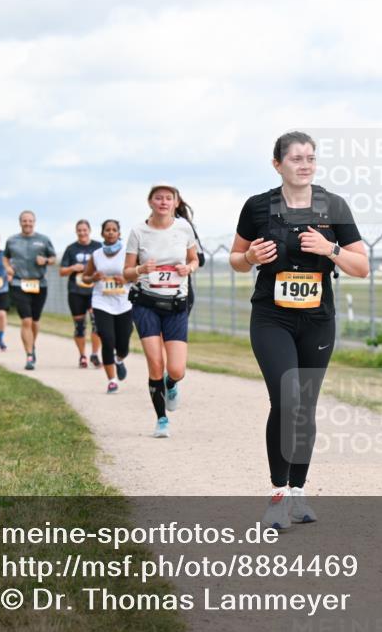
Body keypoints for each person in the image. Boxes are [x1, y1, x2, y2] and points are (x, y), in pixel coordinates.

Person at [229, 131, 369, 530]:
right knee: (287, 400)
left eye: (310, 158)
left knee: (304, 407)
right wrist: (251, 256)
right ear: (277, 164)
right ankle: (277, 494)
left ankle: (297, 491)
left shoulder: (333, 206)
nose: (305, 164)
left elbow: (362, 266)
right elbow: (236, 259)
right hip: (272, 317)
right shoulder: (257, 207)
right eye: (296, 159)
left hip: (317, 319)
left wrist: (331, 250)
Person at [123, 184, 200, 438]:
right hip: (146, 303)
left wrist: (189, 269)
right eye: (159, 198)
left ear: (176, 202)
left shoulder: (183, 228)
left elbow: (194, 259)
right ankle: (161, 419)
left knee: (177, 370)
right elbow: (126, 273)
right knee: (155, 364)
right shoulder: (138, 231)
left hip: (176, 303)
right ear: (150, 202)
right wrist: (141, 270)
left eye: (169, 198)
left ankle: (171, 384)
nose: (163, 202)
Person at [82, 220, 133, 393]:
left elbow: (138, 276)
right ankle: (111, 381)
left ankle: (119, 359)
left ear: (119, 233)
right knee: (107, 339)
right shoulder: (96, 255)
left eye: (114, 230)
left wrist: (126, 279)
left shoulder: (128, 253)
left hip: (124, 303)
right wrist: (94, 277)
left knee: (123, 344)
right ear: (102, 233)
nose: (111, 232)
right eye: (107, 230)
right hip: (101, 302)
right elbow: (85, 278)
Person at [3, 210, 57, 370]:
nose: (27, 223)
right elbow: (5, 257)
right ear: (20, 222)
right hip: (19, 284)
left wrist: (46, 260)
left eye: (30, 221)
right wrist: (7, 268)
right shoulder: (12, 240)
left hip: (39, 284)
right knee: (26, 320)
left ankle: (32, 345)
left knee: (35, 321)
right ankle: (29, 355)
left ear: (34, 222)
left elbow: (53, 258)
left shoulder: (43, 240)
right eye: (24, 221)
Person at [59, 220, 103, 368]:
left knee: (97, 324)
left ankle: (95, 354)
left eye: (85, 230)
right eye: (79, 230)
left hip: (94, 291)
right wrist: (73, 267)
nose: (82, 233)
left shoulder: (98, 247)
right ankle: (82, 356)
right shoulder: (71, 249)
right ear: (76, 232)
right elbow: (61, 271)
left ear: (89, 230)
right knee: (79, 326)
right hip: (76, 291)